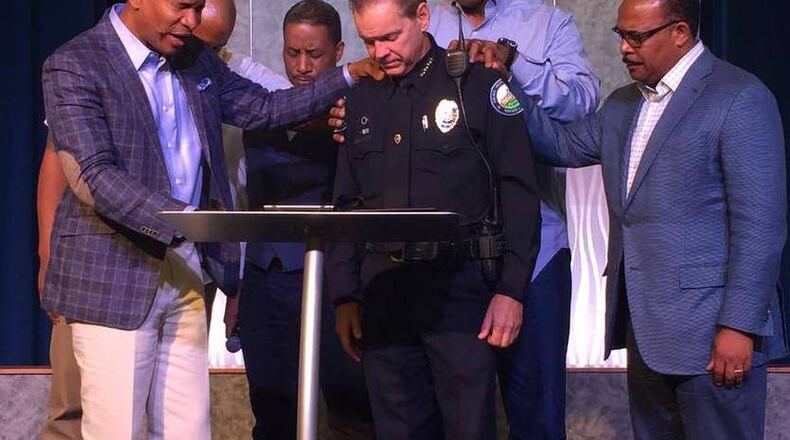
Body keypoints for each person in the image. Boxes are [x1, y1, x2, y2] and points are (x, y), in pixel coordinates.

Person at [39, 0, 383, 437]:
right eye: (183, 6)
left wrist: (350, 74)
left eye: (198, 7)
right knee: (118, 430)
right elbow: (93, 178)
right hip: (115, 277)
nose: (192, 21)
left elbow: (267, 109)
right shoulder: (74, 64)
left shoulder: (192, 57)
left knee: (190, 429)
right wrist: (192, 221)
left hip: (184, 271)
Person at [513, 0, 786, 438]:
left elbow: (761, 227)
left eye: (636, 37)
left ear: (680, 32)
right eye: (620, 35)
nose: (623, 48)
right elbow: (558, 144)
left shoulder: (739, 97)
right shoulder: (622, 105)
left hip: (712, 336)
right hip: (644, 333)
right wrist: (505, 82)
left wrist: (740, 326)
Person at [328, 0, 541, 438]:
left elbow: (519, 191)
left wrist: (512, 291)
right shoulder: (361, 99)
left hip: (458, 293)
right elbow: (347, 204)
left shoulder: (478, 85)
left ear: (421, 18)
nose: (380, 51)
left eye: (390, 37)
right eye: (369, 40)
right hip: (383, 293)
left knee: (468, 427)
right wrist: (344, 295)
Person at [429, 2, 599, 438]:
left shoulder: (546, 21)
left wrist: (516, 62)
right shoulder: (423, 18)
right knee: (455, 420)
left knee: (538, 421)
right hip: (448, 263)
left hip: (537, 254)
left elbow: (582, 106)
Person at [228, 1, 375, 438]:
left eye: (314, 54)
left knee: (352, 410)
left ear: (339, 52)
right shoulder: (262, 105)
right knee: (272, 411)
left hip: (333, 281)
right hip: (262, 279)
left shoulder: (358, 112)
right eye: (293, 53)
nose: (303, 66)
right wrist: (234, 286)